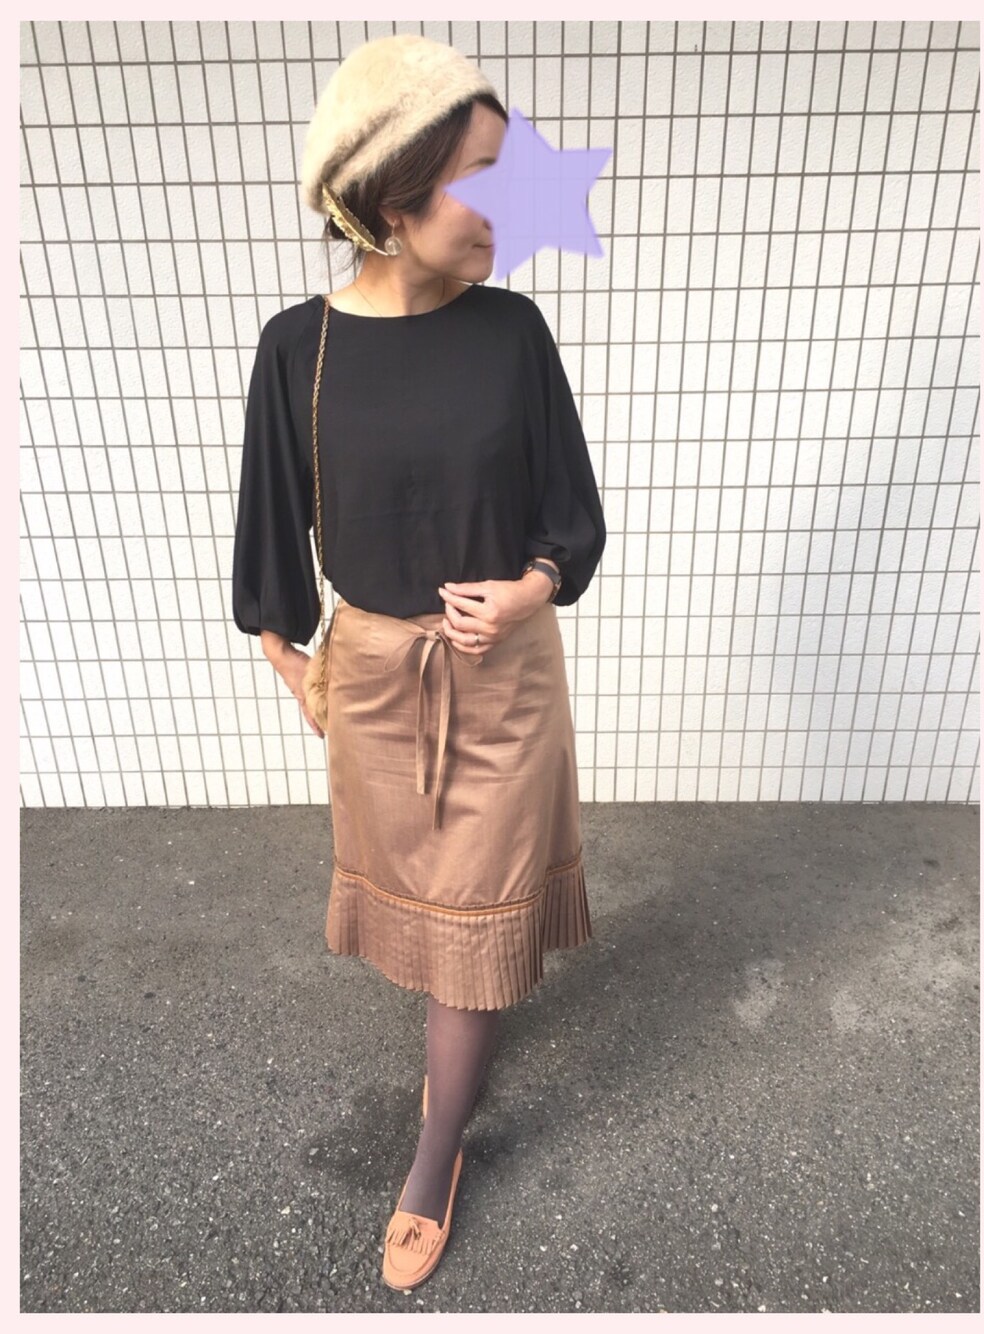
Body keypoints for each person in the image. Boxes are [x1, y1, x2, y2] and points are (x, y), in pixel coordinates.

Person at [231, 34, 606, 1291]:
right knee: (430, 922)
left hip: (502, 683)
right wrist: (296, 666)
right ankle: (456, 1062)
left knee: (474, 929)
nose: (514, 199)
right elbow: (270, 527)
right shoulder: (299, 349)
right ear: (391, 200)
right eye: (482, 175)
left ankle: (436, 1148)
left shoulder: (512, 333)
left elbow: (569, 512)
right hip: (378, 687)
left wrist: (530, 588)